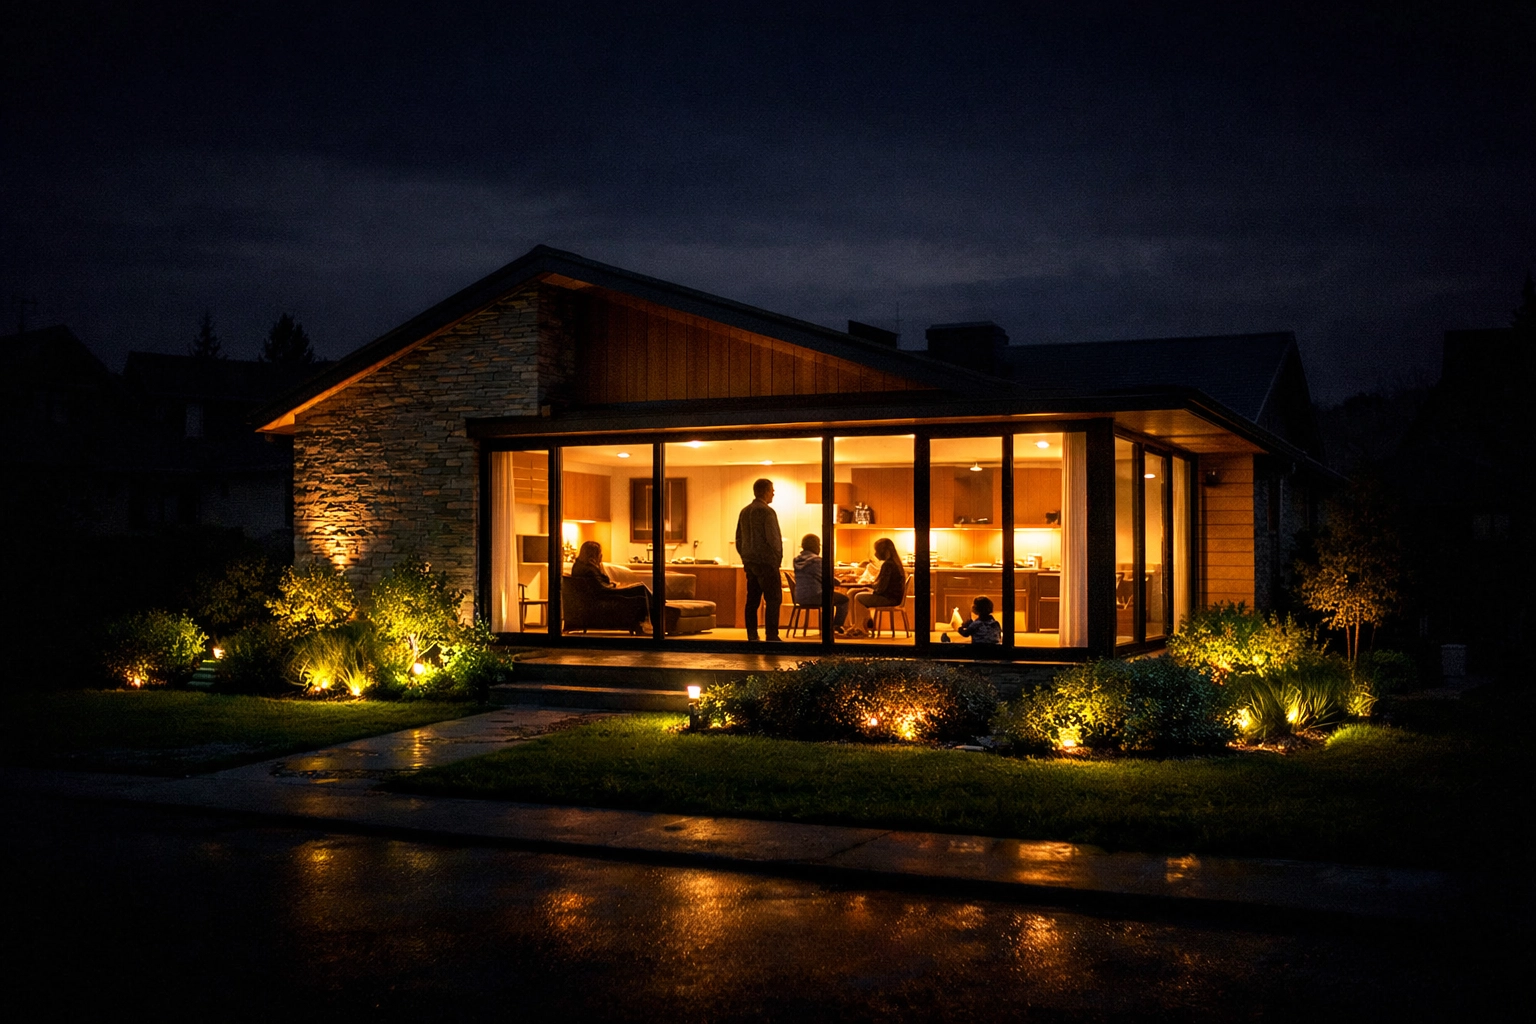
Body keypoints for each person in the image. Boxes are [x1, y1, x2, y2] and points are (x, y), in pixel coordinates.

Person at [735, 478, 783, 642]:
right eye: (772, 490)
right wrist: (777, 559)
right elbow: (773, 539)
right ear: (766, 491)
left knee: (752, 600)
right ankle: (772, 635)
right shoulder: (767, 512)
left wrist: (745, 557)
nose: (773, 493)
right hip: (767, 563)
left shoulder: (744, 511)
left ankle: (752, 635)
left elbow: (739, 539)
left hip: (750, 563)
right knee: (773, 599)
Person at [569, 541, 652, 633]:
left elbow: (598, 585)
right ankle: (657, 616)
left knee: (640, 589)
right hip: (603, 597)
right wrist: (616, 587)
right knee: (640, 589)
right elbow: (602, 589)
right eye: (599, 553)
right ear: (593, 554)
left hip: (598, 597)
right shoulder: (589, 570)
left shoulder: (581, 566)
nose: (601, 556)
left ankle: (653, 617)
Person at [792, 534, 850, 633]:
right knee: (844, 600)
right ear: (816, 546)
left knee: (830, 597)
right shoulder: (817, 560)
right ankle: (835, 626)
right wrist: (839, 581)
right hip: (815, 596)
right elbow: (827, 578)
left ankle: (830, 627)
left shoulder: (797, 560)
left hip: (800, 597)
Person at [852, 537, 906, 634]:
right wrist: (870, 588)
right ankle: (864, 624)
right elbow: (884, 585)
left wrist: (870, 589)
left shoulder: (888, 565)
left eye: (877, 550)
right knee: (853, 592)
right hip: (894, 597)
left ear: (884, 551)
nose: (875, 554)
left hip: (888, 599)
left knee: (858, 597)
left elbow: (881, 589)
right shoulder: (895, 563)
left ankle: (860, 628)